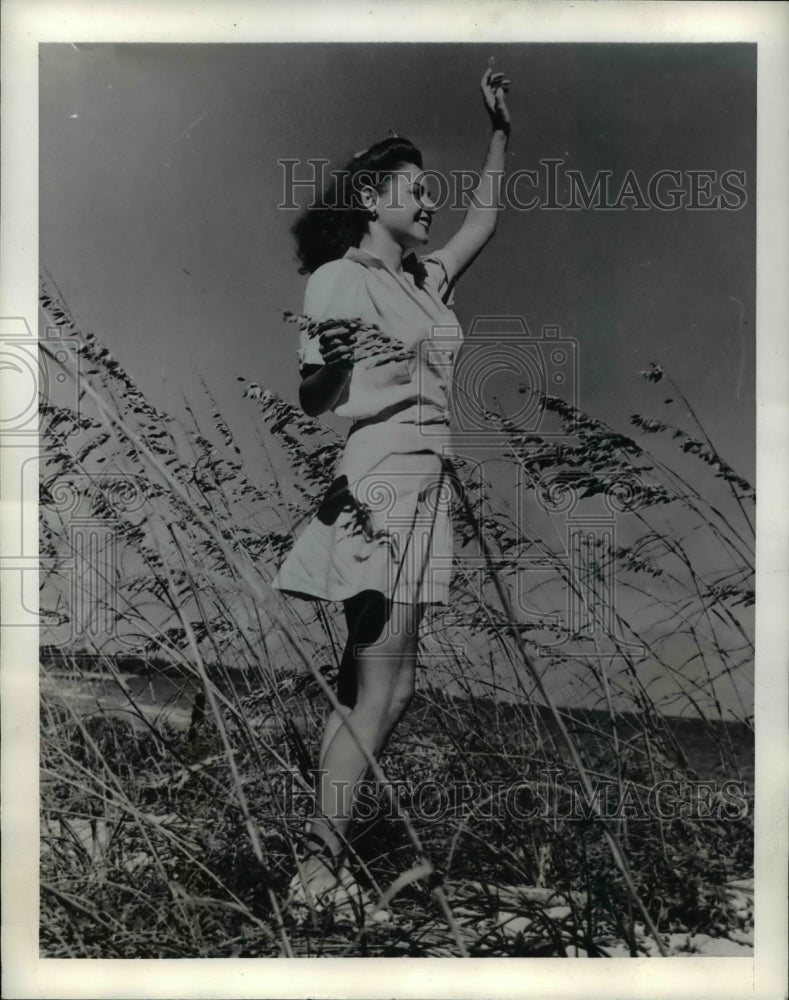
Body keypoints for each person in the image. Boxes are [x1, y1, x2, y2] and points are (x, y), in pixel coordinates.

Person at [271, 64, 511, 914]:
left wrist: (498, 131)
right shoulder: (340, 279)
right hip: (379, 481)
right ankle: (314, 872)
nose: (430, 203)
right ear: (373, 197)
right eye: (416, 190)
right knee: (377, 685)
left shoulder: (422, 282)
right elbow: (313, 400)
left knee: (388, 687)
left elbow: (483, 217)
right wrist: (333, 360)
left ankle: (319, 857)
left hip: (426, 487)